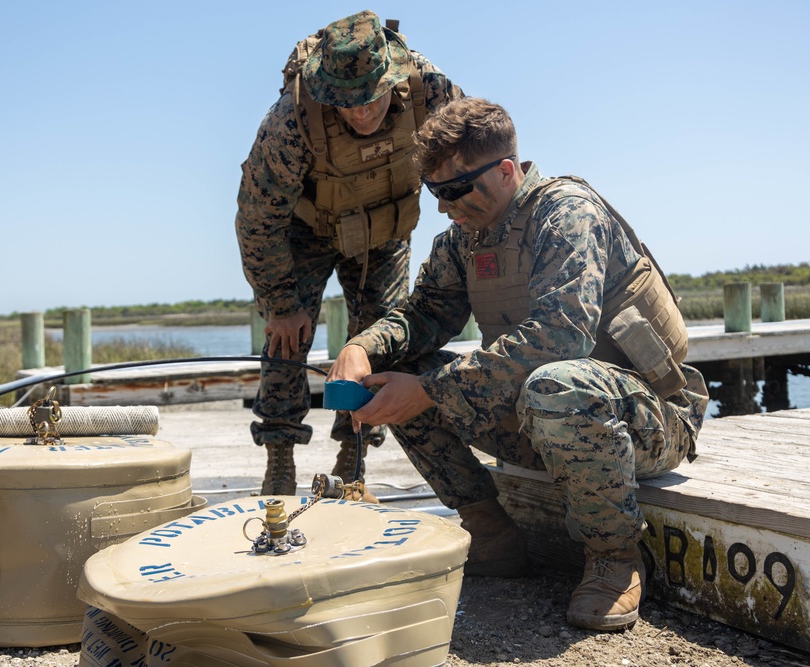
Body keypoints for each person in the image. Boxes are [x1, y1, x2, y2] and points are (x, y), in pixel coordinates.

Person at [328, 97, 709, 631]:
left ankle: (614, 559)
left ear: (506, 171)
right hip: (542, 416)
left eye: (456, 190)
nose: (445, 206)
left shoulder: (567, 212)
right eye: (435, 193)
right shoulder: (465, 238)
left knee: (555, 383)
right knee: (403, 366)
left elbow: (562, 338)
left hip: (645, 419)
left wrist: (432, 391)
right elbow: (424, 315)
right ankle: (491, 536)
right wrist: (362, 347)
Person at [235, 10, 463, 499]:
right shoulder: (291, 119)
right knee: (286, 339)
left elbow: (468, 162)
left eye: (371, 98)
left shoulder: (431, 91)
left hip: (384, 232)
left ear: (393, 78)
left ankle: (353, 453)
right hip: (307, 230)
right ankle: (279, 457)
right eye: (347, 103)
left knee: (379, 340)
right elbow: (257, 217)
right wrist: (279, 301)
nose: (361, 113)